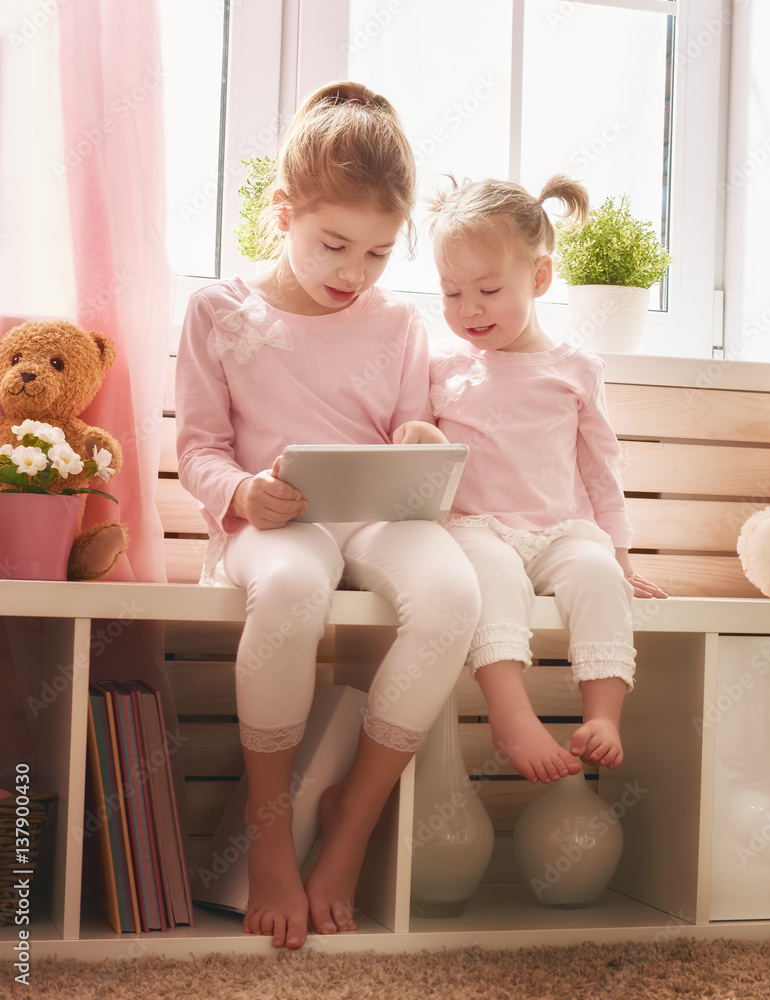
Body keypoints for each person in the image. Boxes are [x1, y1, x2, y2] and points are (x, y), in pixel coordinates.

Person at [175, 82, 479, 950]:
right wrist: (240, 493)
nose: (354, 272)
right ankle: (271, 836)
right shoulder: (218, 311)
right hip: (271, 526)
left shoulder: (399, 324)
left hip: (376, 516)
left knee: (453, 598)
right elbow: (197, 450)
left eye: (379, 254)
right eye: (334, 244)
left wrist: (420, 434)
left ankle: (350, 821)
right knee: (295, 588)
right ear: (283, 211)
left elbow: (408, 434)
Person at [422, 174, 667, 785]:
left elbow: (600, 469)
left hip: (562, 530)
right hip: (477, 529)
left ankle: (604, 716)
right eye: (451, 292)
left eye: (487, 289)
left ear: (539, 278)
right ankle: (512, 717)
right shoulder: (444, 368)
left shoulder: (575, 368)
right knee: (495, 574)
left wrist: (620, 556)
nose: (468, 308)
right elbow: (420, 457)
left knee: (598, 576)